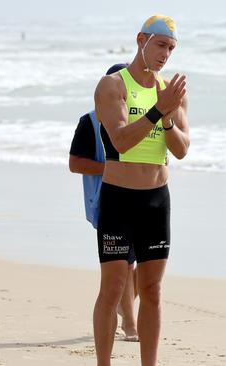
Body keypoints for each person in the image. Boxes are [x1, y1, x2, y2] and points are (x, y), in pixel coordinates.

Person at [92, 14, 189, 366]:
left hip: (156, 200)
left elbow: (180, 149)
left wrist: (166, 117)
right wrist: (156, 111)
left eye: (171, 48)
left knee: (152, 290)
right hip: (119, 199)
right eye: (161, 45)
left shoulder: (172, 92)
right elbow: (120, 139)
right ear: (141, 40)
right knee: (114, 287)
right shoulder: (112, 85)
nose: (166, 54)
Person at [69, 63, 139, 342]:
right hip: (106, 200)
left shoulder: (141, 118)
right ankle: (130, 324)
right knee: (124, 265)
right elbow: (75, 163)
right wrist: (110, 168)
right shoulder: (90, 121)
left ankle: (125, 310)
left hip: (143, 196)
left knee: (134, 265)